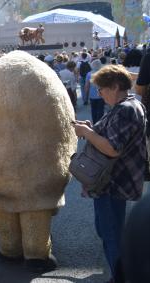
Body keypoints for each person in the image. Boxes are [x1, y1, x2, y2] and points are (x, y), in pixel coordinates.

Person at [72, 64, 146, 283]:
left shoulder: (125, 109)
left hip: (114, 183)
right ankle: (120, 275)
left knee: (111, 235)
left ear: (114, 87)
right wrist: (92, 129)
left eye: (102, 89)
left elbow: (113, 148)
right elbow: (113, 138)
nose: (100, 94)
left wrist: (86, 132)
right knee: (107, 231)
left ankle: (121, 277)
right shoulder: (128, 105)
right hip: (115, 182)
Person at [85, 59, 105, 123]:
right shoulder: (103, 73)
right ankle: (100, 123)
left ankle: (95, 123)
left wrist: (86, 95)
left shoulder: (89, 74)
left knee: (93, 110)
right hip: (102, 95)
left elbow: (87, 86)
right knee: (101, 110)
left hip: (92, 95)